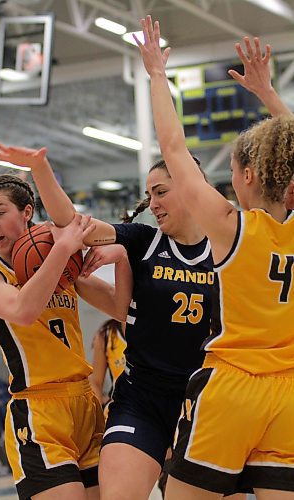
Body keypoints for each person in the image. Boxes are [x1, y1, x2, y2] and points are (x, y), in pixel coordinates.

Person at [0, 146, 217, 500]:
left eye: (161, 192)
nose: (152, 203)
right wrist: (41, 168)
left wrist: (120, 261)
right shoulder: (144, 240)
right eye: (149, 194)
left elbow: (120, 306)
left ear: (192, 185)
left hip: (205, 397)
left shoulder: (229, 248)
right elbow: (71, 224)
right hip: (142, 396)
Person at [134, 16, 294, 499]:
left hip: (232, 389)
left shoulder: (230, 226)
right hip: (288, 395)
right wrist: (270, 97)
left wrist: (158, 76)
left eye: (231, 171)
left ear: (248, 175)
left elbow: (173, 148)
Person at [0, 173, 131, 500]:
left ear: (27, 212)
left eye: (0, 213)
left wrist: (123, 257)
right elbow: (23, 310)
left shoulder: (62, 263)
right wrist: (64, 248)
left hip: (85, 404)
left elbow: (120, 307)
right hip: (39, 411)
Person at [89, 318, 126, 418]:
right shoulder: (106, 334)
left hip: (152, 404)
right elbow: (95, 382)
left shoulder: (157, 327)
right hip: (120, 408)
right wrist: (98, 416)